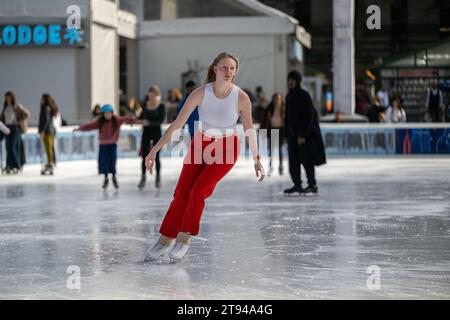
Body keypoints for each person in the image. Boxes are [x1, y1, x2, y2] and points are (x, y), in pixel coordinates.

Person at [144, 52, 265, 262]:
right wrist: (155, 149)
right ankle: (165, 240)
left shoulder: (241, 97)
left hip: (226, 148)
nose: (228, 72)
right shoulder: (201, 93)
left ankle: (183, 239)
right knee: (182, 191)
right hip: (201, 145)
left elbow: (249, 130)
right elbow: (177, 124)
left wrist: (257, 159)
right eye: (224, 67)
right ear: (215, 69)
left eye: (232, 68)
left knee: (198, 191)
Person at [74, 104, 140, 189]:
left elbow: (127, 120)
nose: (107, 115)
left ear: (112, 113)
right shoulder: (100, 121)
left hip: (112, 145)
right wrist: (80, 128)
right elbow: (90, 126)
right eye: (105, 113)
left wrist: (138, 121)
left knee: (112, 162)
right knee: (103, 162)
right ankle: (105, 178)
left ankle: (113, 177)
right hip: (103, 145)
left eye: (109, 113)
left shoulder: (117, 120)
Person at [283, 70, 326, 196]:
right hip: (292, 135)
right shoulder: (289, 96)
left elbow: (309, 116)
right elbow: (288, 118)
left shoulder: (304, 95)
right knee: (293, 161)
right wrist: (287, 134)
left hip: (303, 136)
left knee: (307, 160)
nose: (290, 83)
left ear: (297, 82)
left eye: (292, 80)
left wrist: (303, 134)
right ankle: (297, 184)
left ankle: (312, 185)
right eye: (289, 80)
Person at [138, 85, 166, 189]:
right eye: (149, 96)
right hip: (146, 132)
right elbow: (141, 117)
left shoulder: (161, 106)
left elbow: (160, 121)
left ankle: (158, 177)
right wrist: (137, 119)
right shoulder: (146, 104)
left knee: (156, 156)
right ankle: (143, 177)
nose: (151, 98)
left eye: (153, 96)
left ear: (157, 95)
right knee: (144, 156)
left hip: (156, 132)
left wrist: (148, 122)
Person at [0, 91, 30, 174]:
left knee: (13, 147)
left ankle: (16, 166)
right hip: (6, 128)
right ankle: (9, 165)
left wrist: (19, 120)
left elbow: (26, 113)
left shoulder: (16, 106)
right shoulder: (5, 107)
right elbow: (2, 118)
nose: (7, 99)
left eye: (9, 97)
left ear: (12, 97)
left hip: (14, 128)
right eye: (6, 97)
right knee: (8, 147)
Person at [261, 93, 285, 175]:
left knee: (280, 149)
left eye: (278, 99)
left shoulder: (284, 109)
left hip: (281, 130)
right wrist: (263, 131)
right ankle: (270, 165)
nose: (277, 100)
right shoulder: (269, 108)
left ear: (281, 100)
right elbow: (264, 121)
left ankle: (281, 166)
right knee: (271, 149)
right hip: (272, 130)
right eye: (275, 99)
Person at [38, 93, 59, 175]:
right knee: (48, 148)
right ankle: (50, 163)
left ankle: (50, 163)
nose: (41, 100)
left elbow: (45, 120)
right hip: (49, 131)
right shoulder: (46, 108)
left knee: (48, 148)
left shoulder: (45, 108)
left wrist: (42, 131)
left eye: (42, 99)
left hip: (47, 131)